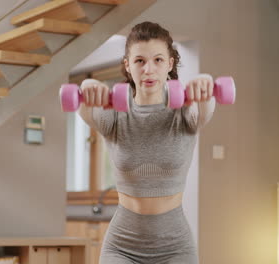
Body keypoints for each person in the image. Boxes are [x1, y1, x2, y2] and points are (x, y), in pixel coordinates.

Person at [78, 21, 215, 264]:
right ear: (127, 66)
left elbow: (204, 113)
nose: (148, 69)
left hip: (175, 246)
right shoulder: (115, 115)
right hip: (122, 245)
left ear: (170, 64)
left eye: (158, 60)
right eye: (139, 60)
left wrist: (205, 86)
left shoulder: (183, 109)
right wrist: (87, 86)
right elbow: (85, 111)